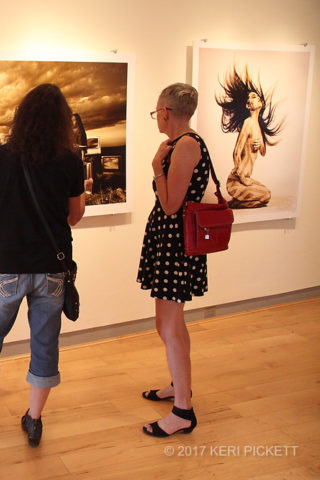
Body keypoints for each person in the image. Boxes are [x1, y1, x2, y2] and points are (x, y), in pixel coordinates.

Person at [0, 84, 86, 447]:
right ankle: (34, 420)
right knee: (45, 345)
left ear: (22, 116)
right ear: (61, 120)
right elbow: (75, 216)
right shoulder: (70, 160)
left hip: (5, 269)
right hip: (51, 267)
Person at [137, 83, 209, 437]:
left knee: (168, 326)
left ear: (165, 111)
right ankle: (180, 387)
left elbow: (170, 205)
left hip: (175, 246)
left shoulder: (187, 145)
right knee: (172, 324)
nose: (156, 118)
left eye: (156, 112)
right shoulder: (184, 144)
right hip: (171, 243)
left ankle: (183, 411)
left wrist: (156, 167)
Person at [216, 66, 282, 208]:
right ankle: (236, 203)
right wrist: (240, 174)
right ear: (248, 105)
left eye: (256, 97)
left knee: (267, 194)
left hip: (246, 179)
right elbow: (237, 151)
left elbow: (263, 152)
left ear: (261, 103)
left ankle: (236, 203)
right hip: (236, 181)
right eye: (251, 98)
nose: (255, 99)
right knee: (265, 196)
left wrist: (260, 145)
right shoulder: (248, 123)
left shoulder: (257, 126)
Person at [72, 113, 94, 193]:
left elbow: (83, 146)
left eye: (74, 120)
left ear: (77, 121)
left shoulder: (81, 132)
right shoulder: (70, 132)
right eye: (72, 120)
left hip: (77, 156)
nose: (73, 122)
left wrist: (76, 146)